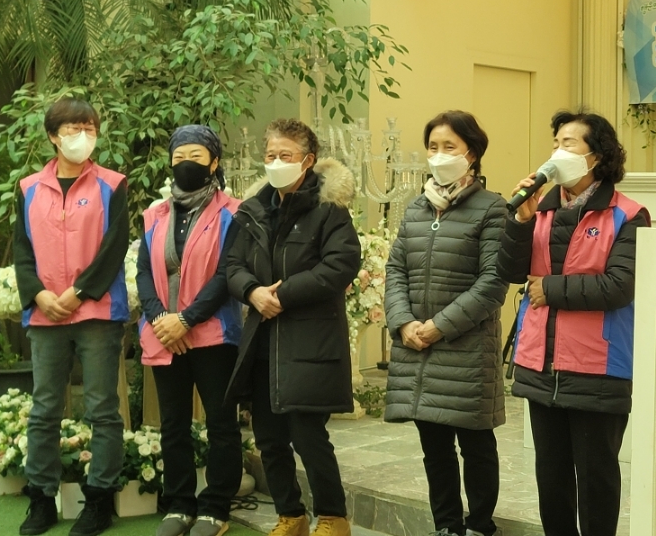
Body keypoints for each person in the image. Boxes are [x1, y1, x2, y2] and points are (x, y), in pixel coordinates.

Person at [497, 110, 650, 536]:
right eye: (555, 143)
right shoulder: (540, 209)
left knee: (597, 480)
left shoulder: (628, 215)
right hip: (540, 362)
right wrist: (520, 221)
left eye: (568, 144)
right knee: (552, 479)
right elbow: (511, 271)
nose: (557, 152)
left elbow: (618, 286)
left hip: (597, 366)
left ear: (596, 156)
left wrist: (550, 288)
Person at [225, 119, 361, 536]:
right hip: (262, 340)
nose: (276, 163)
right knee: (268, 438)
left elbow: (340, 265)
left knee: (308, 435)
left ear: (308, 160)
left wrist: (282, 295)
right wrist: (252, 292)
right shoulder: (252, 210)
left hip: (310, 340)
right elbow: (232, 264)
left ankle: (333, 518)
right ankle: (291, 516)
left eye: (286, 155)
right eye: (270, 155)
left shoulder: (328, 209)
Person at [384, 110, 508, 536]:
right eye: (433, 146)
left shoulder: (492, 208)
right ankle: (447, 527)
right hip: (417, 347)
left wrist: (439, 326)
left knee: (476, 444)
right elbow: (395, 270)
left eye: (448, 146)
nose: (438, 155)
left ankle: (480, 525)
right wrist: (403, 322)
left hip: (466, 349)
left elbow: (492, 282)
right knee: (434, 448)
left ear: (471, 153)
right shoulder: (416, 209)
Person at [14, 98, 129, 536]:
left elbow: (115, 245)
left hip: (96, 311)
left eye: (89, 128)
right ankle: (41, 500)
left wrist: (78, 292)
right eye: (72, 128)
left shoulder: (112, 184)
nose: (82, 136)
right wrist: (39, 294)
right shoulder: (28, 187)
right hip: (46, 314)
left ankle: (98, 501)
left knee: (102, 409)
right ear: (53, 136)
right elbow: (22, 248)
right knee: (44, 408)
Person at [137, 125, 243, 536]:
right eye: (179, 157)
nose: (186, 164)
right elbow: (144, 272)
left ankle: (216, 508)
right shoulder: (155, 214)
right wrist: (161, 318)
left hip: (213, 333)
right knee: (173, 424)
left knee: (221, 423)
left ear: (214, 163)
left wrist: (186, 319)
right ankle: (179, 505)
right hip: (164, 334)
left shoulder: (233, 212)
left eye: (196, 157)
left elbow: (227, 273)